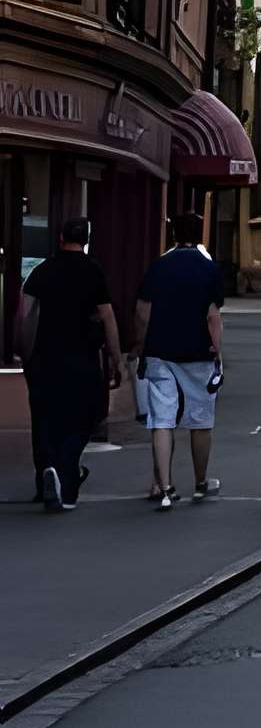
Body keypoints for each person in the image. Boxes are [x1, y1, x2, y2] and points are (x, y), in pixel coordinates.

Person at [19, 218, 122, 512]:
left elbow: (26, 316)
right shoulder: (93, 272)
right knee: (82, 419)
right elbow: (108, 317)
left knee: (45, 419)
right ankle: (65, 475)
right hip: (83, 359)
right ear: (86, 239)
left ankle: (47, 472)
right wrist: (116, 359)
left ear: (60, 237)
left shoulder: (41, 271)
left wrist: (26, 353)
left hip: (46, 357)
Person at [132, 212, 226, 511]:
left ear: (173, 234)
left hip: (160, 350)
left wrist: (140, 344)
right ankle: (200, 482)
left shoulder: (159, 266)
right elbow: (213, 316)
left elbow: (143, 311)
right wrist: (217, 350)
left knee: (161, 419)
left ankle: (165, 486)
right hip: (198, 352)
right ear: (201, 235)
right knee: (200, 420)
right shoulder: (209, 269)